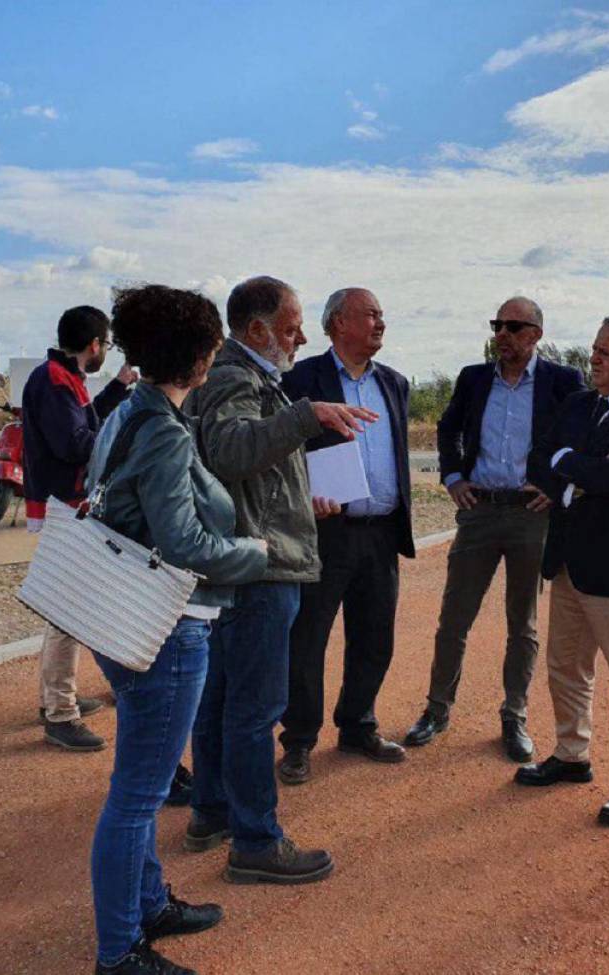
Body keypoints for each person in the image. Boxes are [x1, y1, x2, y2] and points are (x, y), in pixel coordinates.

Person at [83, 285, 269, 975]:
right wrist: (257, 553)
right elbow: (184, 541)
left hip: (124, 613)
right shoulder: (161, 428)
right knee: (138, 794)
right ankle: (119, 951)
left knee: (145, 780)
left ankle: (148, 903)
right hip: (167, 624)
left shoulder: (132, 411)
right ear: (196, 356)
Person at [184, 275, 376, 883]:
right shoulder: (237, 376)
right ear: (256, 329)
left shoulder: (249, 375)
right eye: (290, 328)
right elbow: (233, 450)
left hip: (250, 562)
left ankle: (213, 812)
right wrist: (306, 414)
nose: (297, 339)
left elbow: (252, 470)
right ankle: (256, 840)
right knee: (253, 707)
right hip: (260, 569)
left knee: (222, 699)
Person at [404, 297, 584, 761]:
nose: (501, 334)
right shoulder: (474, 377)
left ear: (535, 334)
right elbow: (448, 429)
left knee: (522, 623)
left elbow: (582, 438)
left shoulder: (563, 381)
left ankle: (514, 715)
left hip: (531, 515)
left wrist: (558, 483)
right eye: (497, 325)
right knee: (454, 618)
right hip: (479, 511)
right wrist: (452, 477)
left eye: (513, 326)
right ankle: (437, 709)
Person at [518, 314, 609, 831]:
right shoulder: (579, 404)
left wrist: (572, 468)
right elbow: (539, 460)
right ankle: (572, 754)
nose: (594, 357)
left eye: (607, 351)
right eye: (595, 347)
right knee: (565, 666)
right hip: (568, 563)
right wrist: (575, 476)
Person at [276, 288, 414, 785]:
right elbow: (280, 449)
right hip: (323, 533)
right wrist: (305, 492)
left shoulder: (394, 383)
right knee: (307, 637)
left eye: (381, 314)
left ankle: (358, 725)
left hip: (380, 533)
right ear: (337, 323)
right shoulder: (301, 379)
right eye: (371, 314)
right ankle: (299, 739)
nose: (381, 322)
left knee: (375, 636)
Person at [21, 305, 133, 751]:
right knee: (67, 614)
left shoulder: (64, 378)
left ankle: (55, 700)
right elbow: (75, 444)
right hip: (63, 506)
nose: (106, 350)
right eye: (106, 344)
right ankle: (60, 712)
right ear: (94, 345)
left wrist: (119, 391)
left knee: (64, 613)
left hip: (66, 504)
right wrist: (123, 439)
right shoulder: (53, 380)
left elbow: (84, 426)